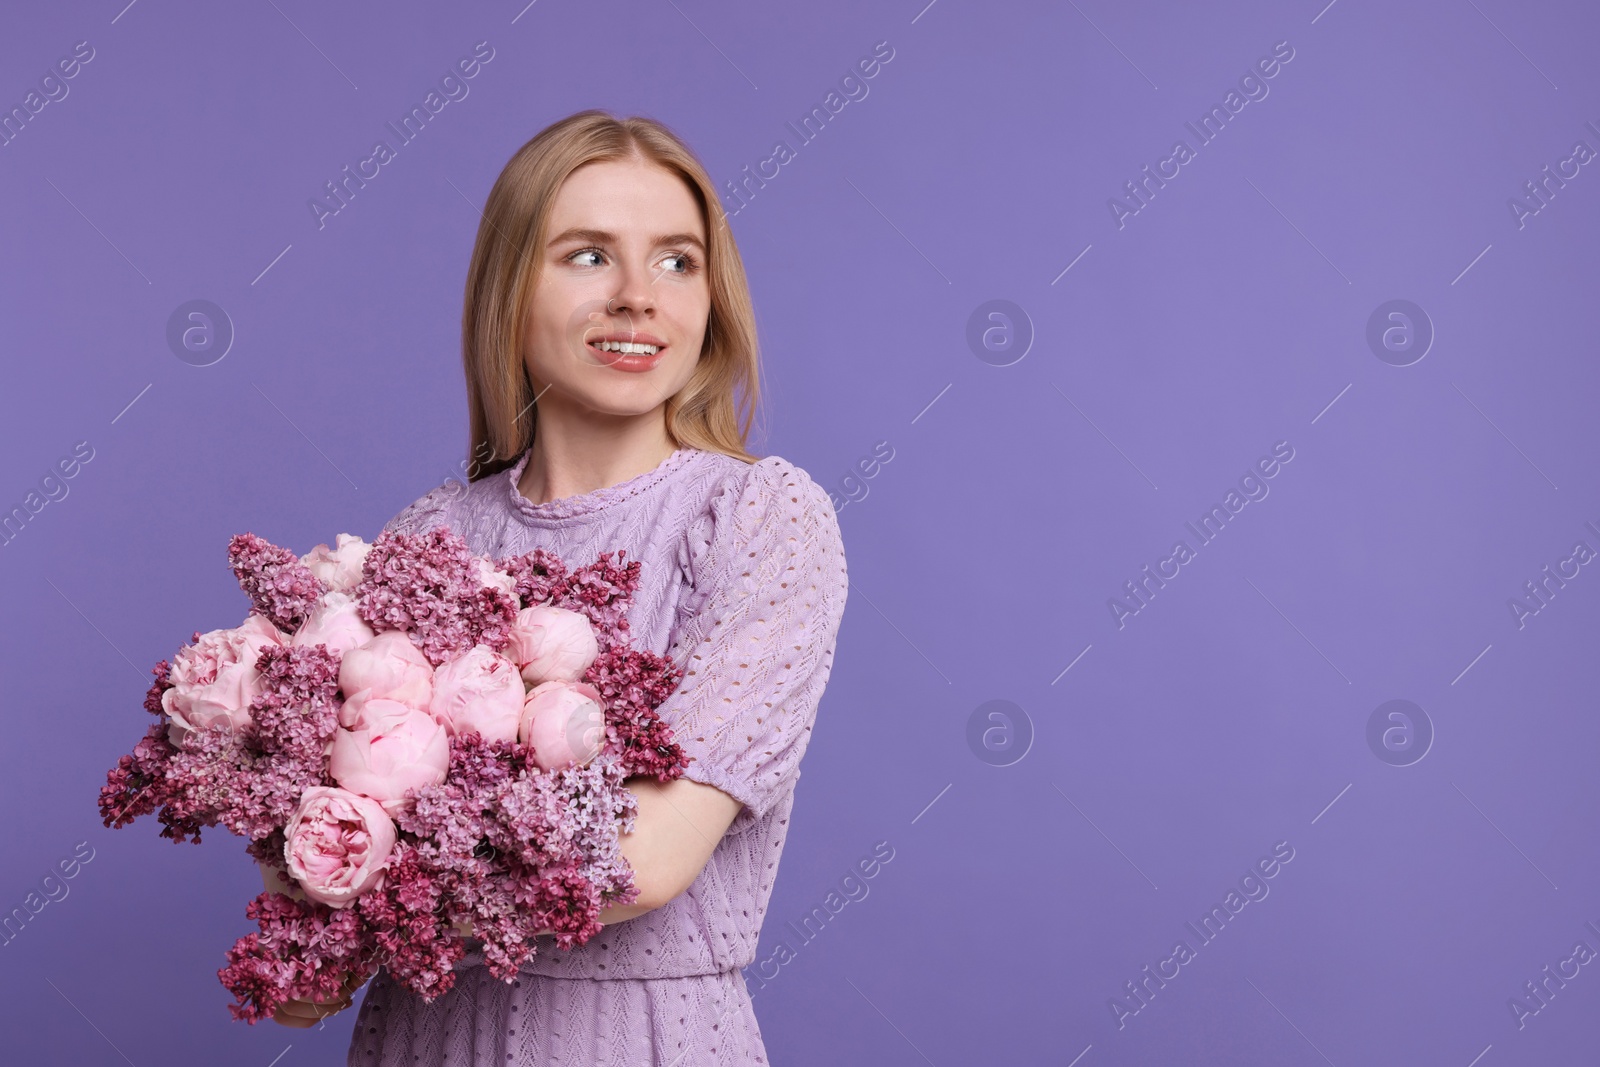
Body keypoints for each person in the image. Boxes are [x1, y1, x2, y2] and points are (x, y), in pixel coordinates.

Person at [271, 110, 849, 1066]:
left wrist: (356, 918)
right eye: (587, 256)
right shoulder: (432, 533)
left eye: (677, 261)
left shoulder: (761, 517)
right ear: (509, 289)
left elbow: (649, 856)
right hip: (424, 1038)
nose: (637, 297)